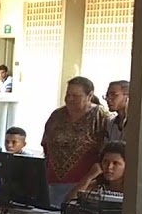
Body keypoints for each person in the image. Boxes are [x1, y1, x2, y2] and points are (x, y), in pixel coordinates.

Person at [42, 76, 109, 205]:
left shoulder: (101, 117)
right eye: (68, 95)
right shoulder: (57, 115)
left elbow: (107, 152)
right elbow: (45, 146)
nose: (70, 99)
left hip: (83, 185)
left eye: (76, 96)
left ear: (89, 96)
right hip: (51, 183)